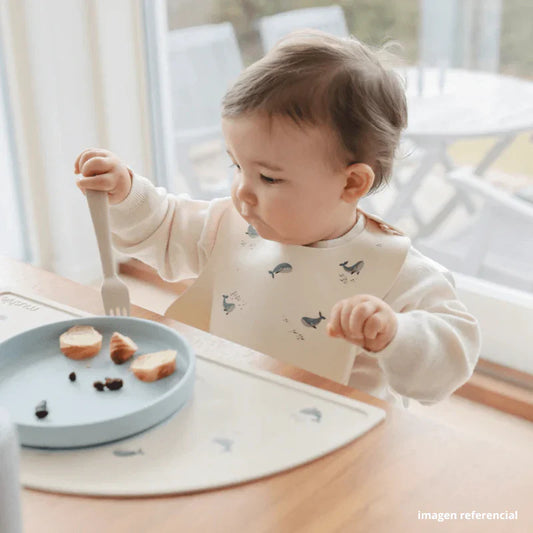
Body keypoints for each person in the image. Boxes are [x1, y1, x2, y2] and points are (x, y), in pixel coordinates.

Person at [74, 31, 480, 406]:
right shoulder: (230, 225)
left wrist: (395, 333)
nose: (242, 191)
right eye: (237, 166)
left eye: (268, 177)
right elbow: (164, 228)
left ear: (351, 183)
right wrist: (126, 193)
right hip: (231, 408)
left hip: (339, 439)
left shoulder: (396, 271)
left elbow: (450, 359)